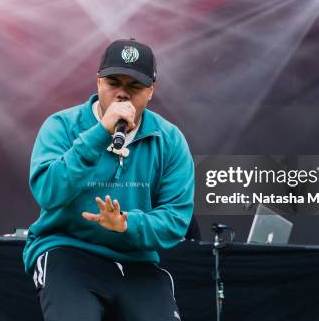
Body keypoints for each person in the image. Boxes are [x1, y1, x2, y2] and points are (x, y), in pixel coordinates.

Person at [23, 38, 195, 321]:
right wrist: (99, 133)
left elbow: (176, 218)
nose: (122, 94)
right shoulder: (62, 126)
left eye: (134, 86)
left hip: (136, 262)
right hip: (69, 249)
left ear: (150, 91)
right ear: (98, 83)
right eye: (114, 82)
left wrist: (127, 223)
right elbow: (47, 191)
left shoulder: (170, 140)